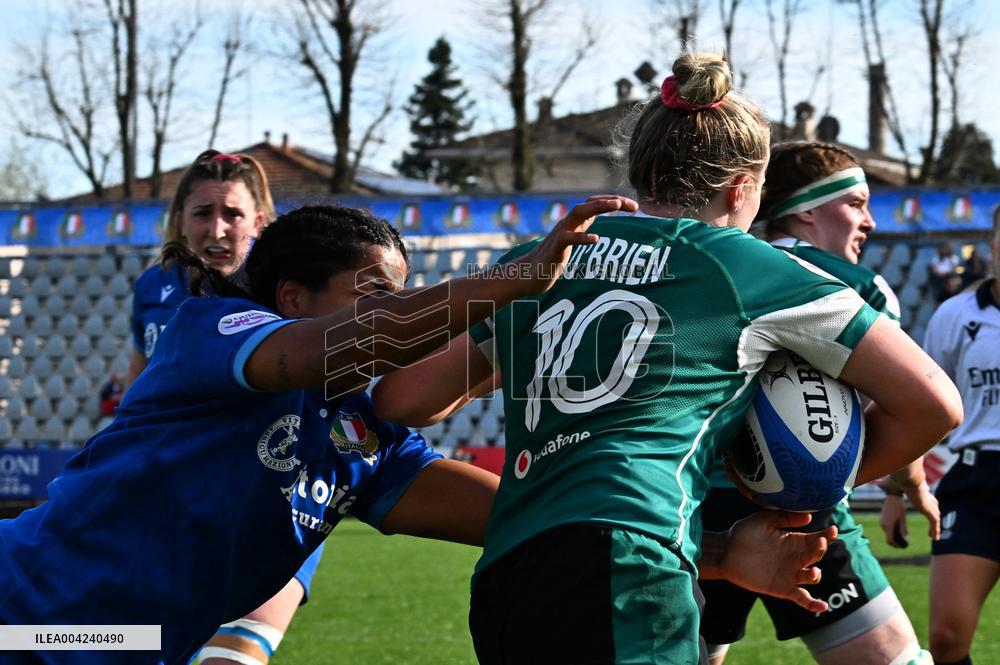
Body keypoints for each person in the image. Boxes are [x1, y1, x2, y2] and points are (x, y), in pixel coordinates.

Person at [372, 53, 962, 665]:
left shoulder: (549, 255)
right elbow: (934, 404)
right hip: (631, 559)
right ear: (743, 188)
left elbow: (403, 399)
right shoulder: (749, 267)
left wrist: (519, 356)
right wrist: (801, 488)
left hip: (510, 567)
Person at [0, 200, 621, 665]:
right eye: (377, 292)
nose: (398, 307)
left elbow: (523, 517)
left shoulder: (367, 434)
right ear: (292, 297)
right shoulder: (212, 330)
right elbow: (372, 335)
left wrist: (690, 548)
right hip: (21, 615)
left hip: (121, 645)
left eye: (400, 294)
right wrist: (516, 278)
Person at [697, 141, 939, 665]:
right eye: (856, 203)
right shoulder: (855, 286)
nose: (870, 221)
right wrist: (908, 484)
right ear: (806, 210)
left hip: (699, 507)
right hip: (806, 511)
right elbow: (901, 401)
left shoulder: (720, 271)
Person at [127, 150, 312, 665]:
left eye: (232, 213)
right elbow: (137, 385)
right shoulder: (152, 287)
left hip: (267, 508)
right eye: (203, 213)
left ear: (260, 221)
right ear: (179, 222)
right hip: (167, 508)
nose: (218, 228)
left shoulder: (289, 293)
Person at [921, 207, 1000, 665]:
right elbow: (921, 405)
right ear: (990, 244)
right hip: (974, 480)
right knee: (948, 637)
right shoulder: (954, 315)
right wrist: (897, 491)